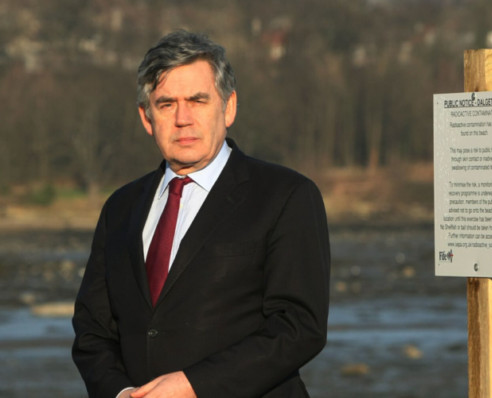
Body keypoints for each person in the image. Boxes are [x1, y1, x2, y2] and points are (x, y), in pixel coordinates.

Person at [72, 30, 330, 398]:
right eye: (166, 104)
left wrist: (194, 386)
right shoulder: (120, 207)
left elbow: (299, 327)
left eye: (198, 100)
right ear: (147, 118)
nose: (183, 118)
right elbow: (92, 329)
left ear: (229, 107)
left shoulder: (286, 195)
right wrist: (121, 392)